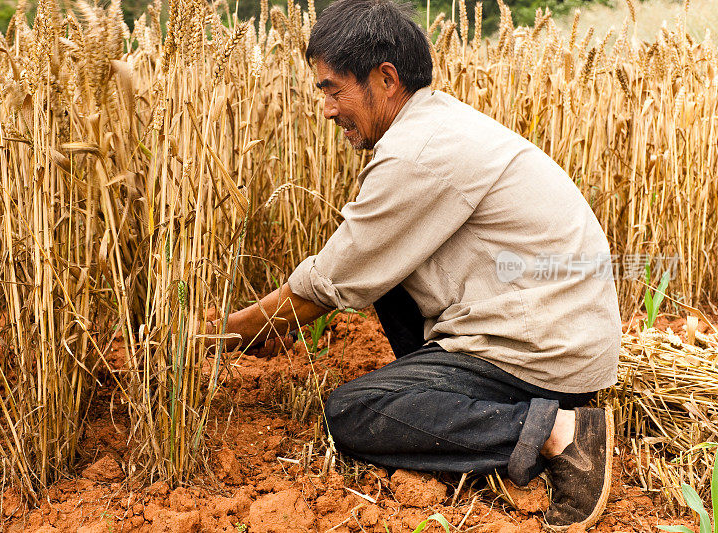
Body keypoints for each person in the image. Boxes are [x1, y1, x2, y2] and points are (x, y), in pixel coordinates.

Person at [210, 0, 622, 529]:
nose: (329, 108)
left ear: (385, 78)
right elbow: (357, 265)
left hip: (540, 353)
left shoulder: (419, 151)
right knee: (387, 272)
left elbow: (333, 277)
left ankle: (557, 433)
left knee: (353, 412)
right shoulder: (436, 124)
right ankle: (478, 412)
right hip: (544, 329)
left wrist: (230, 332)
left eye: (334, 89)